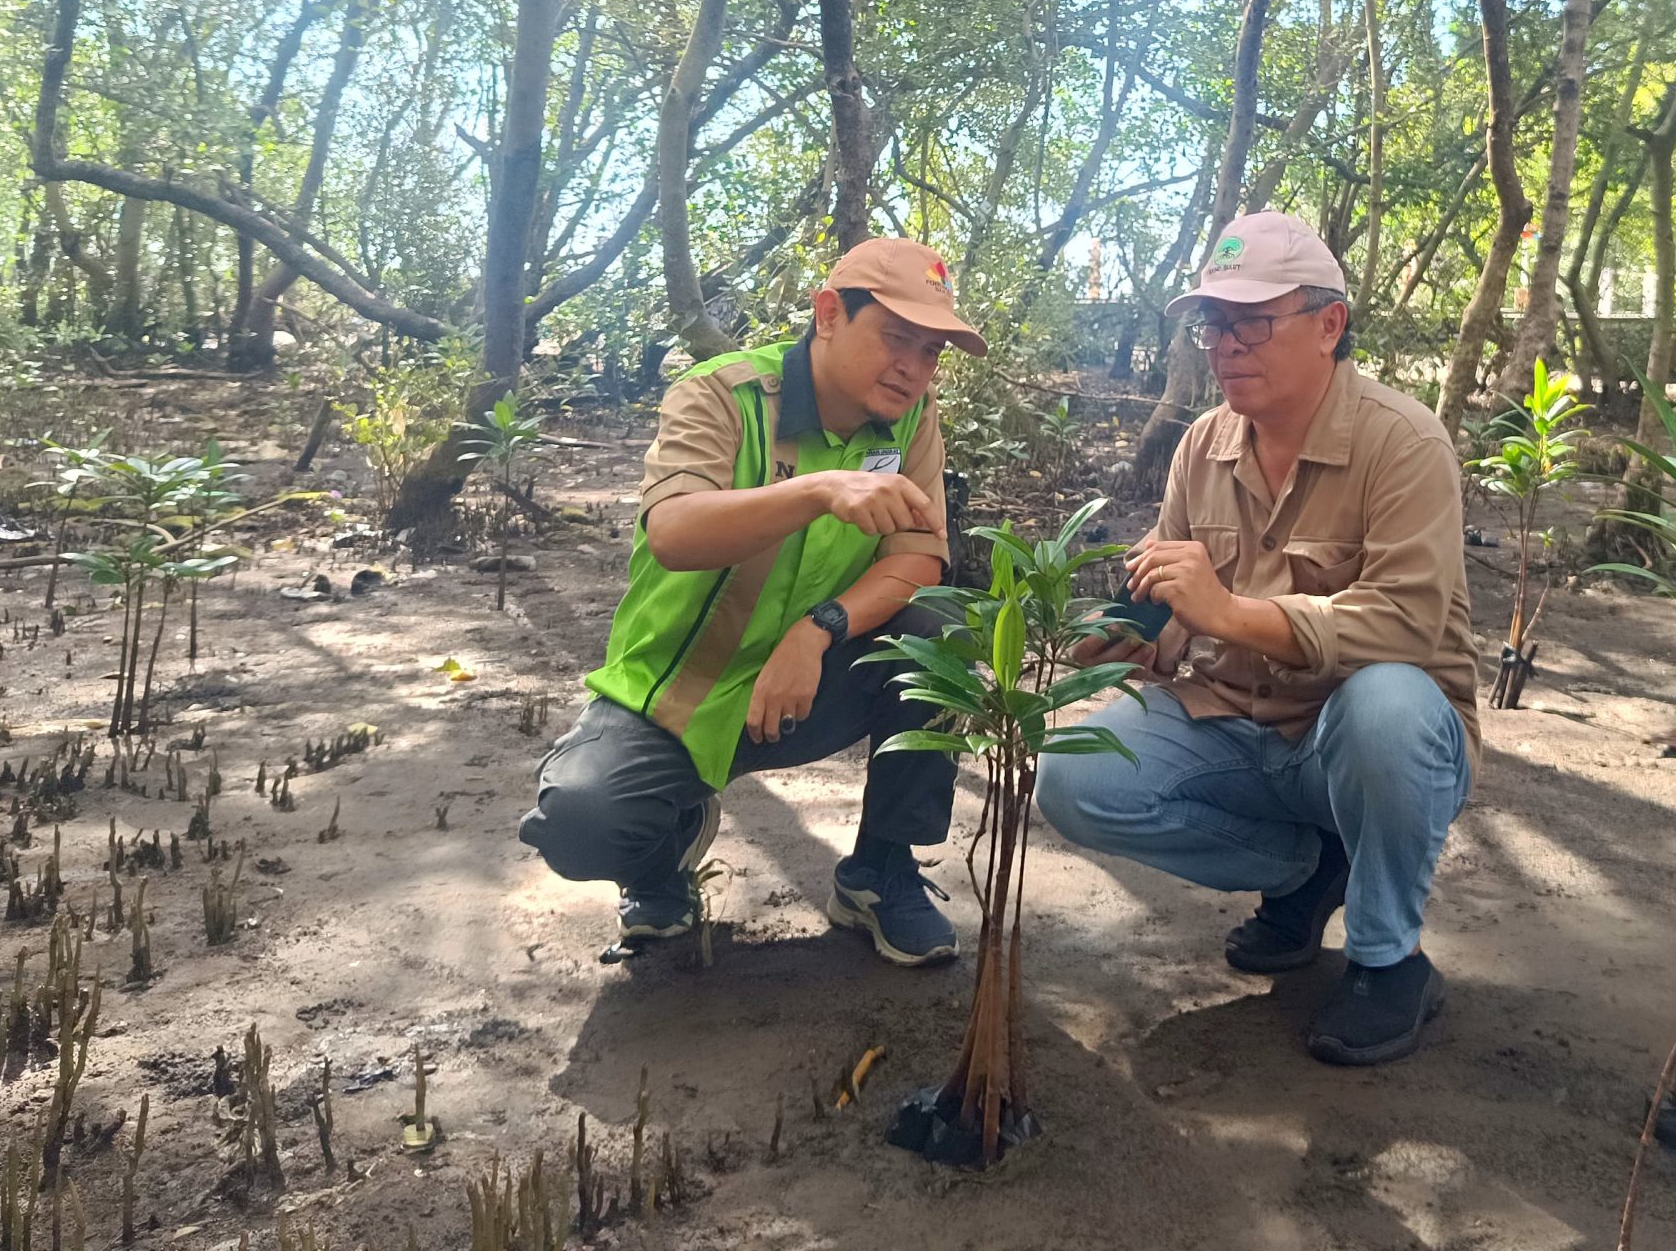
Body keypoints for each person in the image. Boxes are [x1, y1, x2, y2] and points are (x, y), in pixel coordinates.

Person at [1036, 212, 1479, 1065]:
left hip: (1362, 743)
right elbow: (1171, 598)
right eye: (1213, 323)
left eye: (1250, 321)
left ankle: (1389, 961)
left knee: (1385, 704)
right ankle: (1304, 873)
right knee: (1073, 775)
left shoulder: (1405, 443)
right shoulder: (1203, 443)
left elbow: (1406, 622)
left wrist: (1233, 614)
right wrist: (1138, 638)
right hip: (1230, 721)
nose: (1224, 345)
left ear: (1329, 325)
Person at [519, 238, 985, 966]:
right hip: (680, 695)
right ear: (828, 314)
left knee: (943, 630)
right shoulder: (722, 395)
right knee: (583, 825)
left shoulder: (912, 420)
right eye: (897, 338)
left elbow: (919, 558)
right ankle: (660, 860)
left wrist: (820, 630)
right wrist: (818, 489)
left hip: (811, 683)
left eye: (931, 353)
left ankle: (879, 872)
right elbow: (673, 531)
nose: (914, 368)